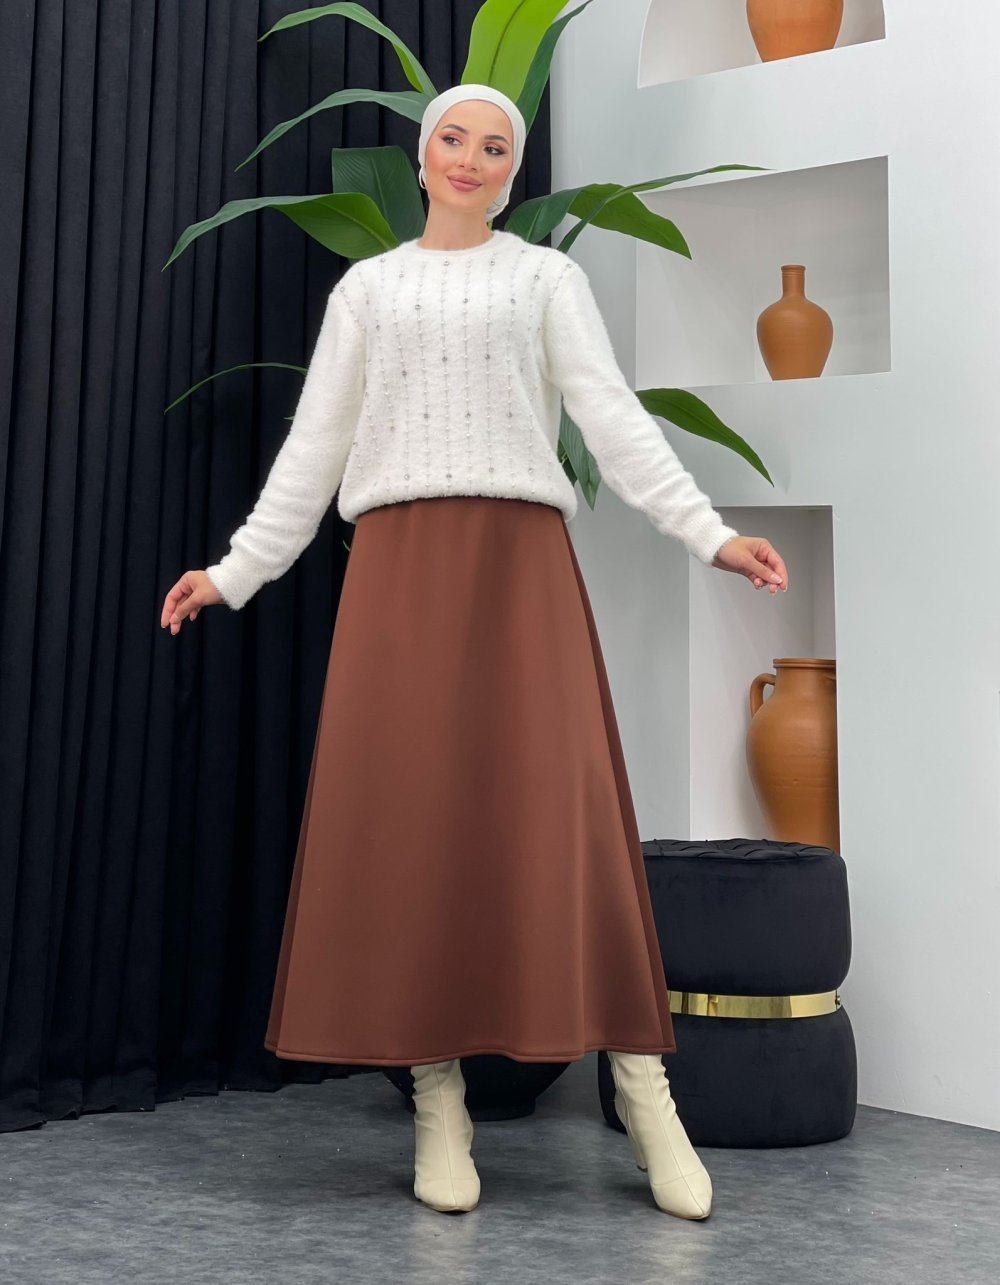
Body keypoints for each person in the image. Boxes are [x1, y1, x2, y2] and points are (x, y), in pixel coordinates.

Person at [160, 83, 788, 1220]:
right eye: (453, 137)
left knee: (567, 816)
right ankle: (437, 1102)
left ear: (511, 171)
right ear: (423, 154)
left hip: (519, 567)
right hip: (398, 573)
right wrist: (235, 570)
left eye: (494, 146)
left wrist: (710, 533)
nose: (469, 157)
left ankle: (647, 1095)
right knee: (414, 827)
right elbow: (314, 448)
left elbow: (610, 416)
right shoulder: (368, 288)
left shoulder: (543, 279)